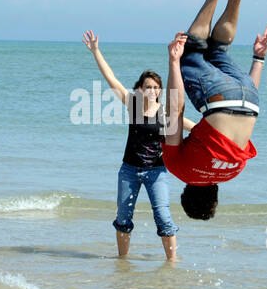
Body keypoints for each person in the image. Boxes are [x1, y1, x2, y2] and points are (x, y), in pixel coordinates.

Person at [163, 0, 267, 220]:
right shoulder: (179, 169)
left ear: (215, 194)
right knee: (193, 50)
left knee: (218, 49)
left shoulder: (235, 171)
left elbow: (242, 112)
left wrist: (259, 59)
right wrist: (174, 62)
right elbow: (174, 113)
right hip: (220, 100)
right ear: (186, 192)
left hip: (250, 96)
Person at [82, 30, 196, 260]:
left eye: (156, 87)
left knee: (163, 217)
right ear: (140, 89)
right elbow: (111, 78)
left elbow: (195, 129)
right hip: (129, 171)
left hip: (157, 171)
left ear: (160, 91)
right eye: (147, 87)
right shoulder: (132, 105)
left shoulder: (167, 114)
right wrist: (96, 51)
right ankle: (122, 261)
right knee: (123, 217)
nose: (152, 91)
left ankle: (172, 263)